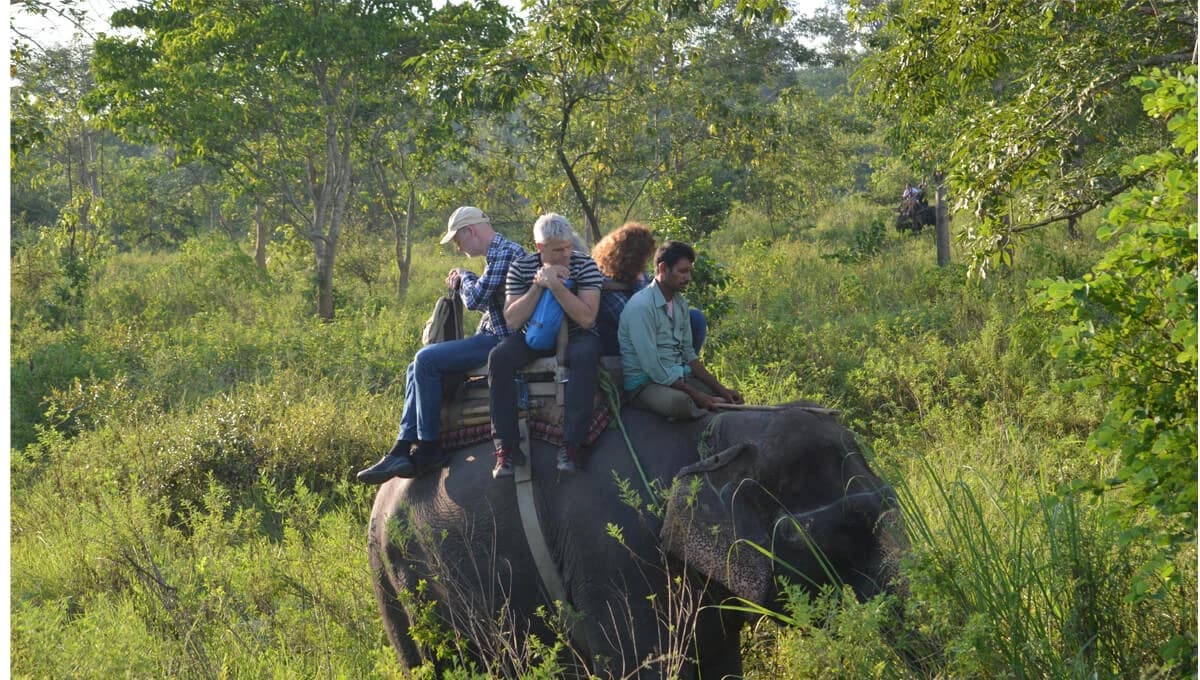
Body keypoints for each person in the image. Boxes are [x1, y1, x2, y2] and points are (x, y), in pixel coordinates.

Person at [356, 206, 527, 484]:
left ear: (471, 231)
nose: (459, 249)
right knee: (415, 367)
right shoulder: (497, 254)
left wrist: (464, 279)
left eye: (458, 241)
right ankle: (402, 446)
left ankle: (429, 447)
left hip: (502, 339)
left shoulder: (505, 253)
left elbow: (476, 299)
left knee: (426, 359)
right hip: (493, 335)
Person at [488, 213, 603, 478]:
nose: (566, 254)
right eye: (558, 250)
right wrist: (539, 285)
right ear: (540, 248)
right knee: (499, 357)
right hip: (535, 335)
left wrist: (557, 286)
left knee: (585, 356)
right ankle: (506, 448)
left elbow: (587, 318)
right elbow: (513, 320)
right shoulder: (521, 267)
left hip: (577, 334)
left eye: (568, 247)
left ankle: (572, 445)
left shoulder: (585, 265)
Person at [618, 240, 742, 420]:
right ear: (662, 269)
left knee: (731, 400)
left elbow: (689, 355)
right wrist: (696, 395)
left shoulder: (680, 304)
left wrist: (722, 389)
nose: (688, 278)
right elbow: (653, 368)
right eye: (682, 271)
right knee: (682, 403)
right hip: (646, 385)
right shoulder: (641, 307)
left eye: (690, 271)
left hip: (677, 378)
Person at [592, 222, 707, 357]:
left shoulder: (637, 274)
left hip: (653, 333)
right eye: (644, 258)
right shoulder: (605, 281)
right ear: (633, 257)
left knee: (695, 318)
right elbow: (638, 318)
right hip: (629, 341)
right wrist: (639, 282)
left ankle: (685, 366)